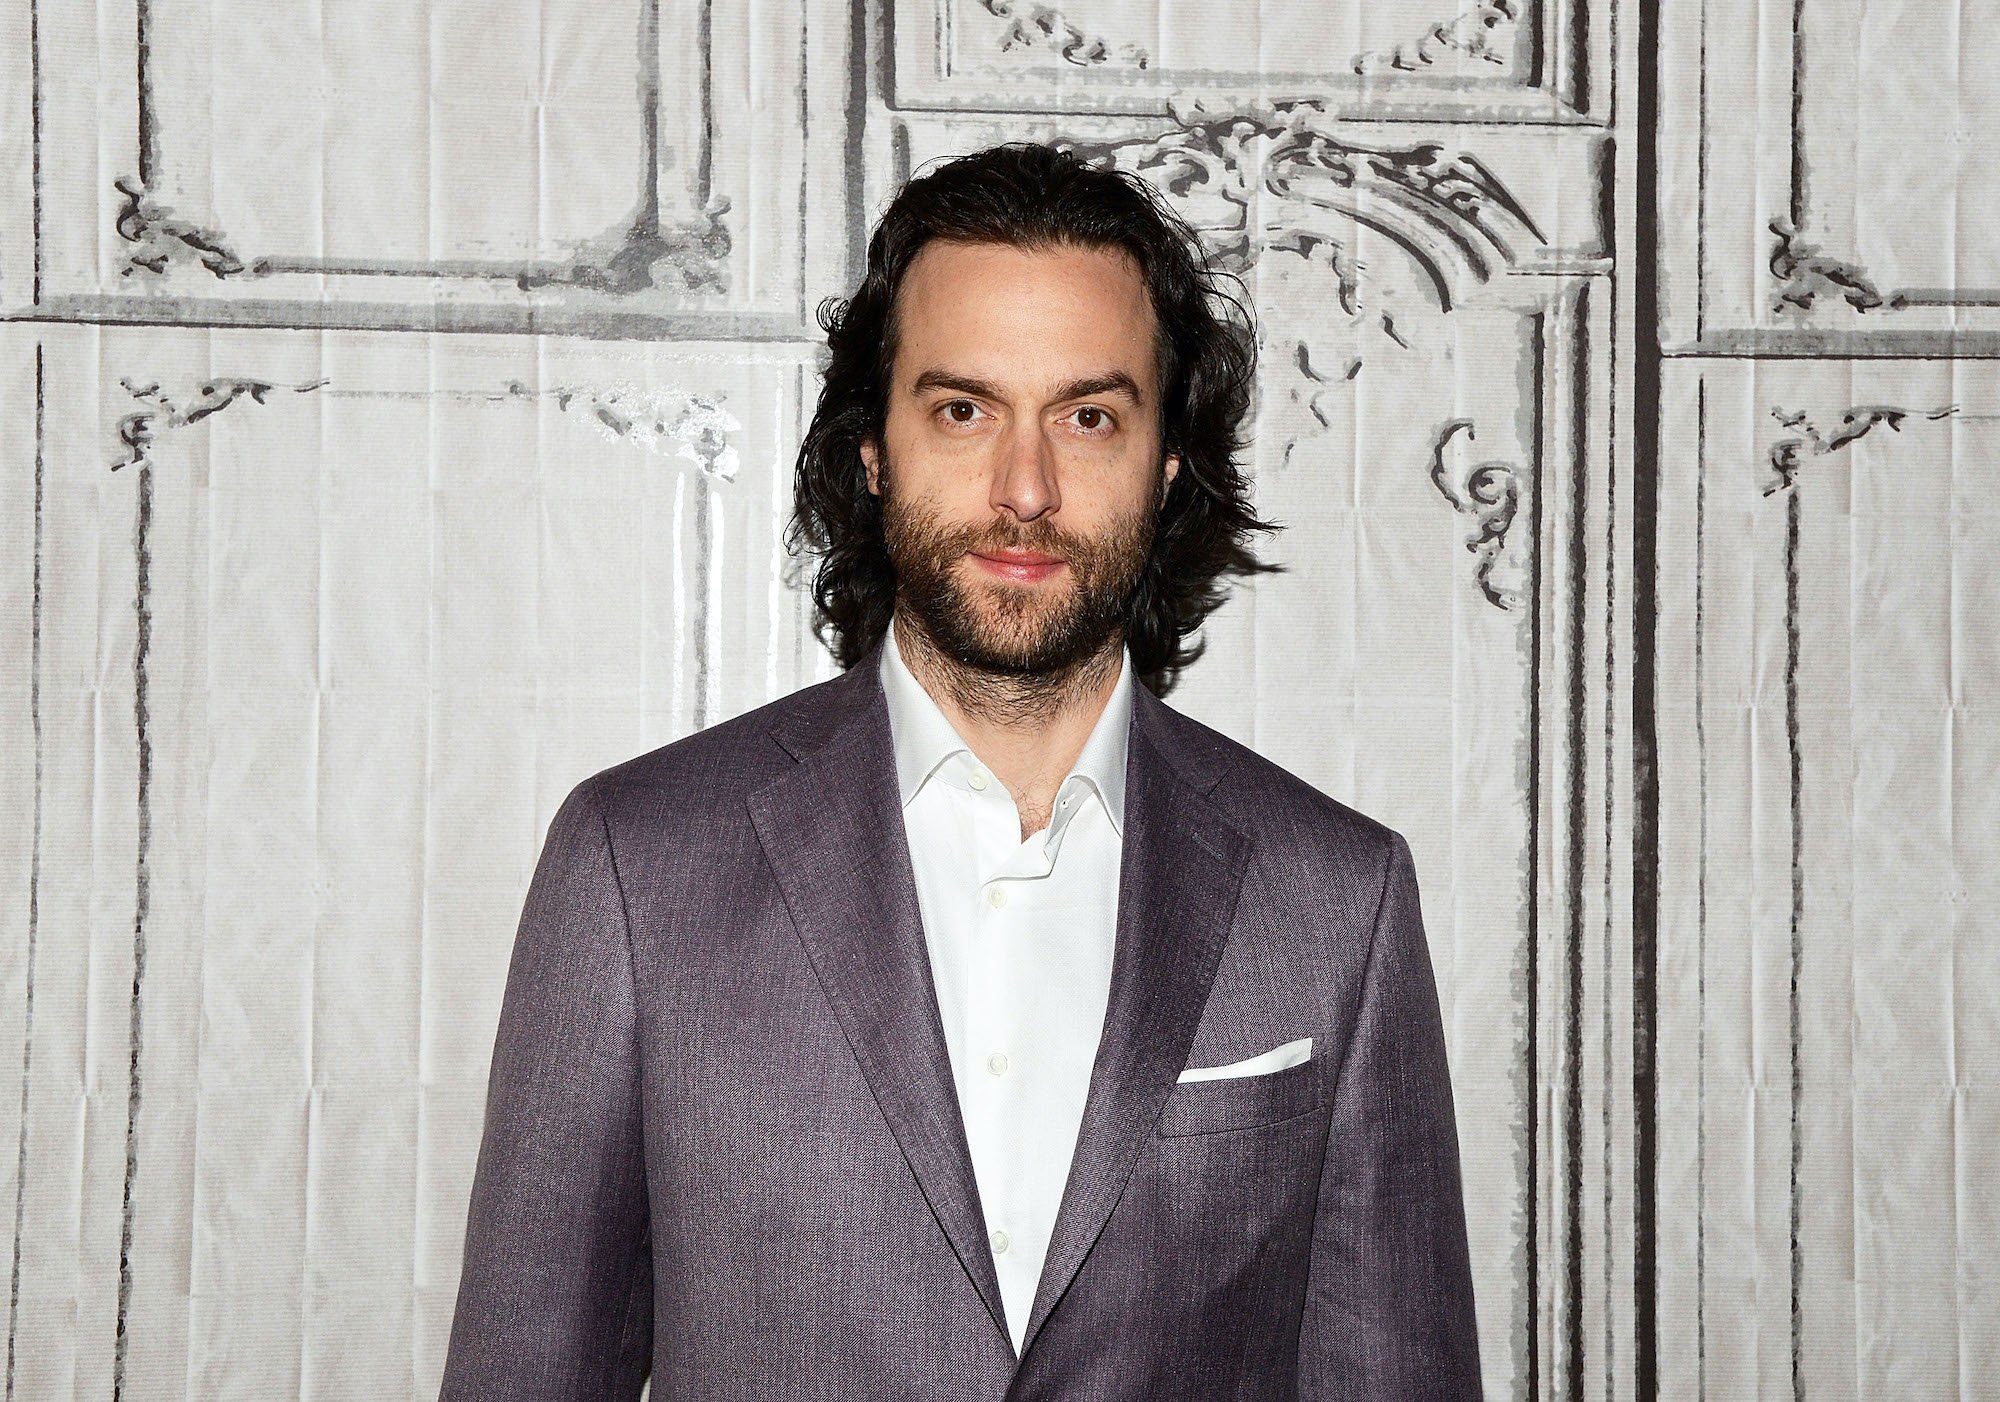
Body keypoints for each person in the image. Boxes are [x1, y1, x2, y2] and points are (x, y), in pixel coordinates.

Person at [440, 141, 1481, 1400]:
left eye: (1087, 416)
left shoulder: (1336, 897)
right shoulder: (635, 864)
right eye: (962, 409)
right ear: (873, 448)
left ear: (1164, 463)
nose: (1024, 488)